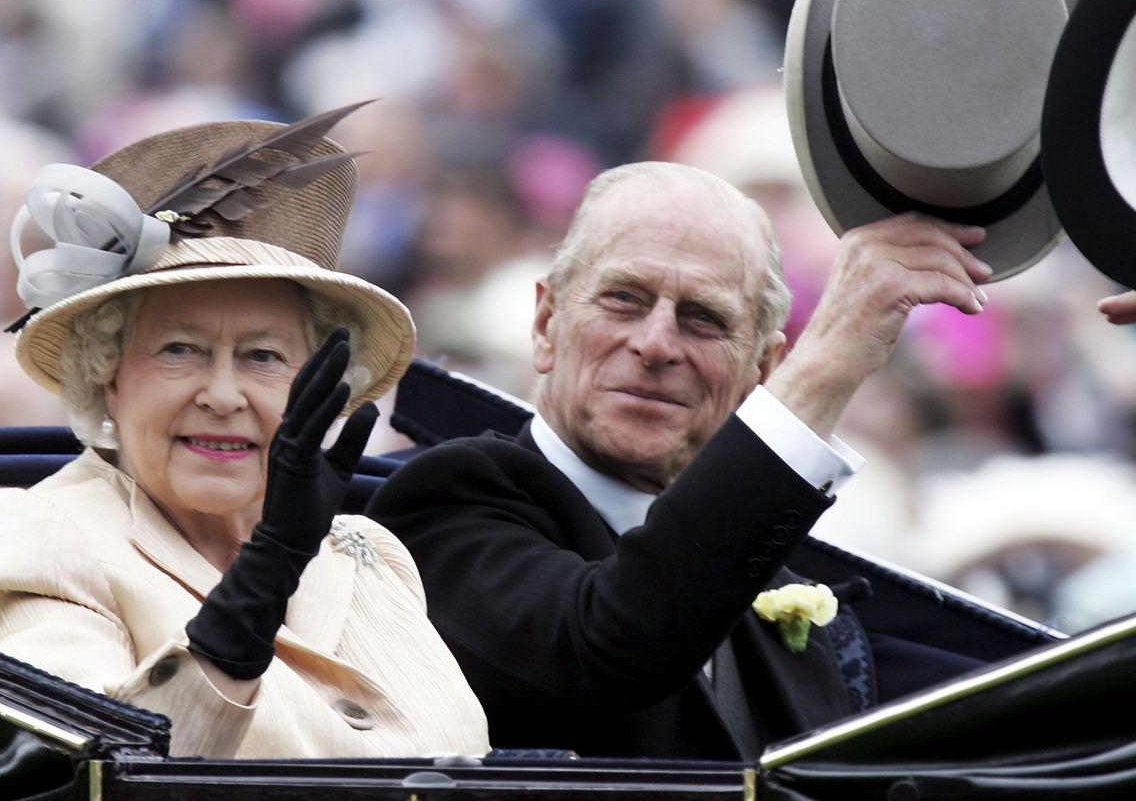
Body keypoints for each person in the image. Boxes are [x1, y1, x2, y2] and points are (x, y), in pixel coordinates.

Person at [367, 161, 989, 759]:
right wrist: (832, 358)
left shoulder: (776, 589)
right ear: (547, 323)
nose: (656, 344)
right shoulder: (441, 503)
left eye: (703, 318)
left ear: (761, 371)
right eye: (624, 299)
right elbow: (613, 642)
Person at [0, 107, 489, 759]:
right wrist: (266, 571)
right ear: (107, 375)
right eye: (179, 350)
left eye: (262, 357)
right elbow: (90, 774)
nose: (223, 396)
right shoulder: (36, 537)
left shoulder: (370, 554)